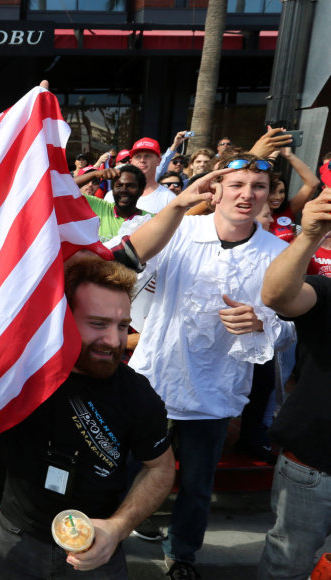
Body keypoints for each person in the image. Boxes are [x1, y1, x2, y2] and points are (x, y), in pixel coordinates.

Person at [122, 156, 296, 578]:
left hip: (216, 392)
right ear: (215, 189)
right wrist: (178, 205)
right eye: (236, 184)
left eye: (258, 186)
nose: (246, 194)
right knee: (126, 471)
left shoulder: (277, 252)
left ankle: (182, 552)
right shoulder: (180, 229)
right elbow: (130, 256)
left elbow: (291, 324)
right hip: (154, 379)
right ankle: (109, 536)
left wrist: (263, 321)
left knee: (198, 487)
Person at [0, 257, 175, 578]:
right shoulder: (22, 374)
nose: (115, 341)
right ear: (64, 319)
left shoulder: (137, 393)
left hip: (98, 551)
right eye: (98, 324)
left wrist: (117, 529)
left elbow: (159, 468)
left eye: (122, 326)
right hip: (18, 541)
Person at [259, 186, 331, 578]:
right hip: (315, 468)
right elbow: (276, 296)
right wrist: (310, 234)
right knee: (286, 567)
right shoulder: (326, 291)